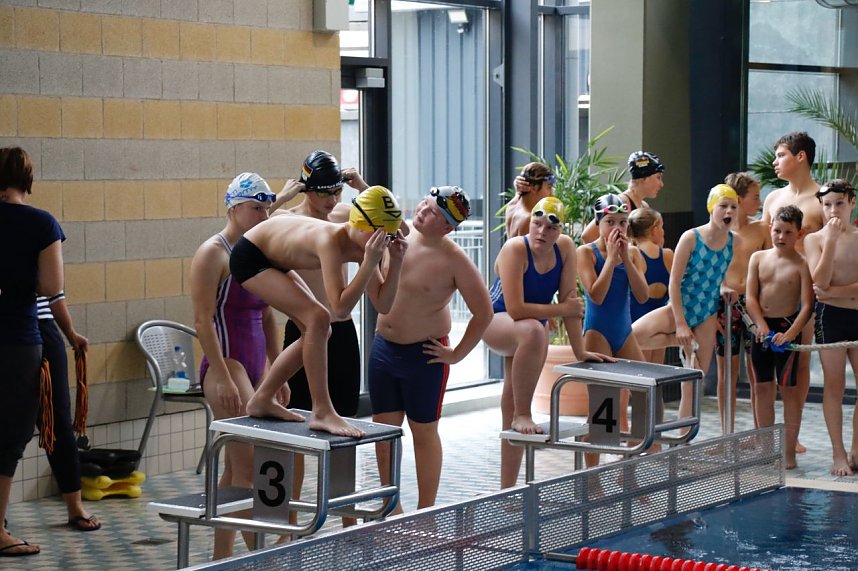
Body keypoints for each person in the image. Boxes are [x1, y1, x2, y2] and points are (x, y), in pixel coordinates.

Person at [235, 185, 407, 437]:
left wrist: (397, 263)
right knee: (319, 318)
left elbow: (383, 305)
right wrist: (369, 263)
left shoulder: (365, 246)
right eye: (381, 234)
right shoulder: (331, 240)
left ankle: (262, 398)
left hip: (274, 258)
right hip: (251, 256)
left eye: (389, 236)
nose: (383, 242)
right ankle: (322, 410)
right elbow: (339, 307)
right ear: (360, 224)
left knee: (320, 327)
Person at [370, 186, 493, 513]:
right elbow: (374, 200)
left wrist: (456, 355)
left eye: (436, 213)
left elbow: (484, 313)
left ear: (448, 228)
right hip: (383, 350)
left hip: (423, 357)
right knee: (383, 434)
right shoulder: (398, 233)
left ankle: (426, 512)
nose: (424, 211)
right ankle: (390, 505)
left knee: (423, 434)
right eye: (426, 204)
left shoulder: (455, 260)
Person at [483, 196, 609, 488]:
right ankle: (524, 413)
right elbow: (515, 309)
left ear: (560, 230)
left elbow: (570, 301)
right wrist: (559, 311)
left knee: (511, 396)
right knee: (535, 331)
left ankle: (507, 490)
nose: (541, 232)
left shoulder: (565, 248)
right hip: (497, 321)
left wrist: (580, 351)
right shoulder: (516, 249)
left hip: (530, 327)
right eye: (536, 224)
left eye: (550, 228)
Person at [190, 172, 284, 559]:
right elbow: (202, 320)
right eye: (255, 208)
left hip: (256, 367)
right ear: (233, 207)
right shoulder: (214, 252)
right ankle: (263, 557)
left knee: (236, 468)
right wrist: (225, 376)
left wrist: (277, 371)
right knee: (249, 465)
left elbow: (266, 316)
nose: (263, 215)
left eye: (266, 208)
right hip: (225, 367)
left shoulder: (257, 251)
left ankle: (222, 557)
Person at [276, 150, 371, 528]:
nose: (332, 200)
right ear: (306, 189)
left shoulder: (346, 215)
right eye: (324, 193)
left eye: (336, 191)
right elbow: (246, 240)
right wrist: (282, 197)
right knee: (296, 430)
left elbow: (402, 230)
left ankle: (347, 521)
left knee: (345, 427)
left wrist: (362, 187)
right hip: (300, 332)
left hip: (341, 332)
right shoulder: (286, 220)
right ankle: (292, 523)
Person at [0, 147, 64, 557]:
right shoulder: (42, 223)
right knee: (10, 434)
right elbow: (51, 286)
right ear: (27, 178)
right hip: (17, 338)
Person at [633, 184, 739, 427]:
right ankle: (681, 344)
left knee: (693, 380)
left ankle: (684, 442)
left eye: (733, 206)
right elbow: (674, 282)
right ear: (712, 208)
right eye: (723, 205)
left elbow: (717, 275)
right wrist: (680, 325)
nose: (729, 211)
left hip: (706, 313)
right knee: (634, 335)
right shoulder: (691, 237)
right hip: (680, 306)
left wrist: (723, 287)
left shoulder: (733, 242)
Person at [761, 132, 824, 454]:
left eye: (781, 155)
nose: (775, 162)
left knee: (798, 368)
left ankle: (792, 436)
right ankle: (772, 437)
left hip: (806, 297)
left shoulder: (821, 200)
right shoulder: (773, 199)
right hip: (773, 293)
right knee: (765, 371)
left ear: (800, 157)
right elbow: (760, 245)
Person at [577, 194, 649, 469]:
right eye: (610, 222)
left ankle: (627, 469)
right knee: (602, 410)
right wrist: (610, 261)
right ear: (598, 224)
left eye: (622, 221)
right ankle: (592, 476)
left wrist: (627, 260)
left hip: (624, 332)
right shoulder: (585, 253)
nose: (616, 228)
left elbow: (642, 296)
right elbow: (596, 295)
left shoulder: (632, 253)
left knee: (644, 394)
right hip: (597, 334)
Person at [745, 205, 813, 470]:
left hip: (787, 330)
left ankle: (788, 452)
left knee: (789, 392)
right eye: (777, 230)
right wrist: (760, 325)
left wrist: (791, 334)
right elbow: (750, 297)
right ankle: (765, 451)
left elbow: (807, 305)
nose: (781, 236)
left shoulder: (802, 264)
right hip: (762, 331)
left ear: (799, 233)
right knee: (762, 388)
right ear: (770, 228)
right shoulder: (758, 258)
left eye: (787, 232)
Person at [804, 179, 858, 476]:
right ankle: (838, 455)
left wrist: (836, 292)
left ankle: (856, 447)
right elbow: (819, 281)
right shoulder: (815, 240)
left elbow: (826, 288)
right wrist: (832, 242)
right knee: (834, 387)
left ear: (852, 202)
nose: (833, 211)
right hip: (830, 319)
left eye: (839, 203)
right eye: (827, 205)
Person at [35, 294, 100, 532]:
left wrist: (70, 334)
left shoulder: (42, 254)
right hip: (11, 328)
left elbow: (54, 295)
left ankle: (75, 507)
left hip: (41, 327)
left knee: (58, 422)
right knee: (10, 429)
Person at [715, 172, 771, 433]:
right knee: (726, 372)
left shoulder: (761, 229)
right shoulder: (717, 230)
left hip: (752, 305)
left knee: (756, 373)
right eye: (755, 197)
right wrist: (721, 287)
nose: (760, 202)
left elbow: (772, 266)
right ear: (738, 199)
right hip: (724, 305)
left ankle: (761, 434)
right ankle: (728, 433)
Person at [580, 151, 665, 243]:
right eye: (658, 177)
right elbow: (587, 236)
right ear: (644, 178)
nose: (661, 184)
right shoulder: (620, 203)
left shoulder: (644, 206)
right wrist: (609, 255)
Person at [628, 207, 674, 365]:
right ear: (654, 230)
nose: (663, 231)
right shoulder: (667, 255)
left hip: (635, 319)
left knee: (638, 375)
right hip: (660, 321)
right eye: (661, 227)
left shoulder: (632, 255)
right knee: (656, 373)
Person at [507, 162, 555, 238]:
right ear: (533, 188)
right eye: (549, 187)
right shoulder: (530, 220)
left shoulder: (512, 205)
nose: (552, 193)